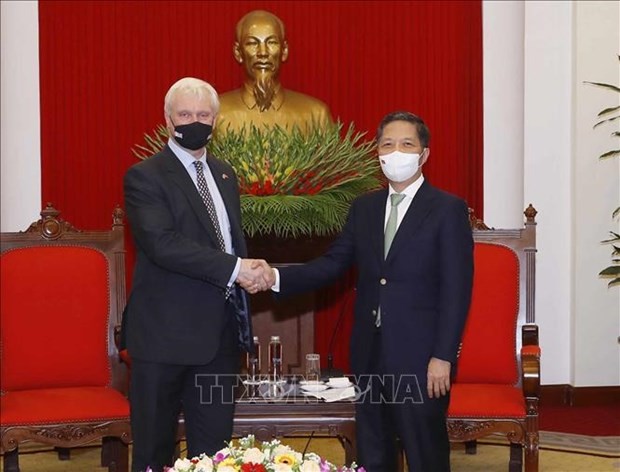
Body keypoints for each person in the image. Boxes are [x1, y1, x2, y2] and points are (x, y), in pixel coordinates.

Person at [263, 111, 474, 471]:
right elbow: (333, 263)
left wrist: (443, 357)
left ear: (424, 154)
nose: (396, 152)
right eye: (387, 144)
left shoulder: (447, 209)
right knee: (373, 453)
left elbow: (458, 289)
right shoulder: (364, 208)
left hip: (421, 360)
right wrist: (275, 277)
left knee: (426, 454)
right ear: (377, 153)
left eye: (406, 144)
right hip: (369, 354)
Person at [123, 77, 272, 472]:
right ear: (168, 118)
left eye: (203, 115)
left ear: (215, 121)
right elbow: (163, 245)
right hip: (163, 340)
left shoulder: (224, 174)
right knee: (154, 455)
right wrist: (237, 269)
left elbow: (227, 242)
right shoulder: (145, 176)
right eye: (185, 114)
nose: (194, 121)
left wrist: (248, 271)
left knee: (214, 456)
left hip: (218, 342)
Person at [217, 10, 332, 135]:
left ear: (284, 51)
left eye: (272, 42)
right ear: (238, 52)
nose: (263, 53)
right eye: (252, 43)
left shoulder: (316, 115)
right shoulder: (215, 114)